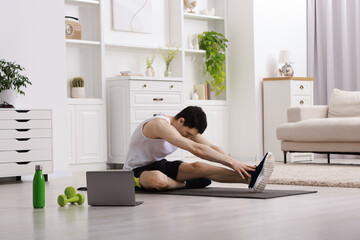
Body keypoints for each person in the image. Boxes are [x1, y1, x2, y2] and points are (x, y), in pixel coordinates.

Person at [123, 106, 275, 192]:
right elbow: (196, 149)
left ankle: (251, 178)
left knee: (199, 167)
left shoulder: (183, 128)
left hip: (159, 164)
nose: (190, 137)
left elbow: (210, 147)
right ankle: (185, 184)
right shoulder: (159, 125)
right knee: (157, 179)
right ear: (181, 121)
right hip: (134, 172)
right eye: (188, 134)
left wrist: (236, 164)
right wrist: (231, 163)